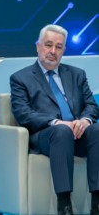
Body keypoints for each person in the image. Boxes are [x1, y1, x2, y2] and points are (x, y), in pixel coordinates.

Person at [10, 24, 99, 215]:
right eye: (48, 45)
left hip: (77, 134)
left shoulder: (77, 74)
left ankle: (97, 204)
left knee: (97, 129)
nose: (53, 51)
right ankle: (64, 205)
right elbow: (22, 113)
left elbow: (92, 106)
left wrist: (84, 120)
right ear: (38, 46)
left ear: (64, 50)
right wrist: (56, 122)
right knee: (61, 131)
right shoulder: (20, 78)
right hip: (46, 136)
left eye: (58, 47)